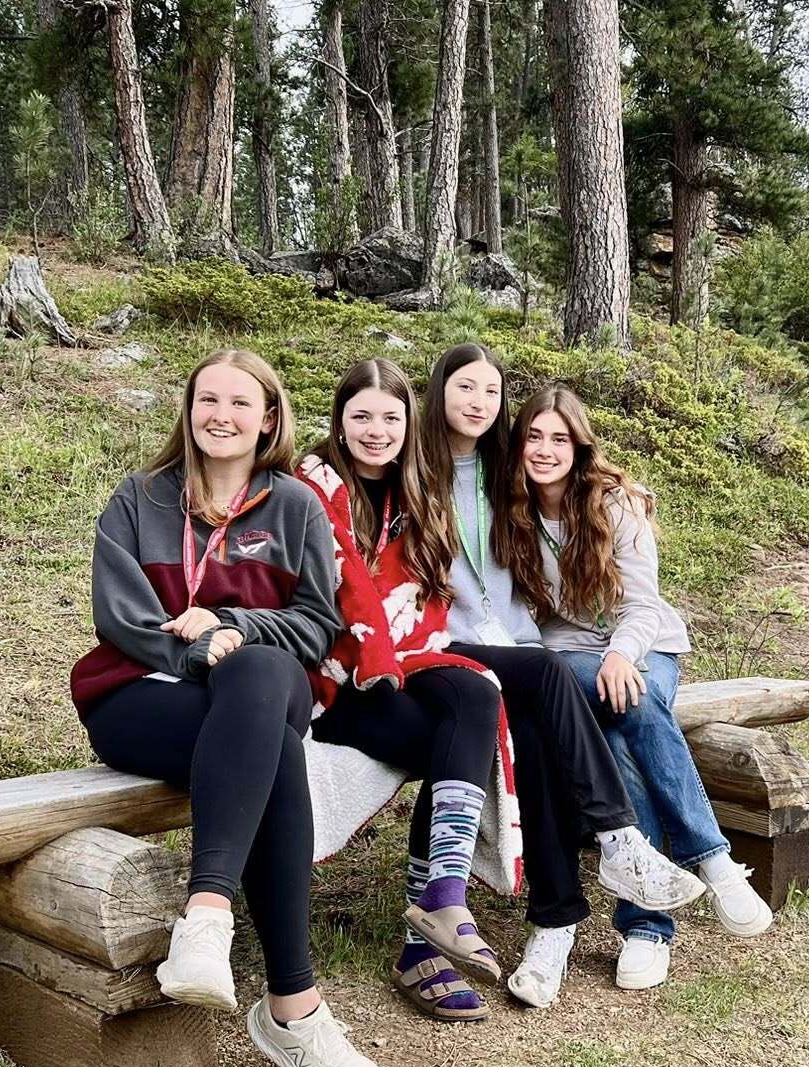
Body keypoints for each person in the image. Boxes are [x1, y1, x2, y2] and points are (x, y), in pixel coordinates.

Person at [69, 349, 385, 1067]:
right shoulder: (139, 498)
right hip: (141, 700)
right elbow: (119, 615)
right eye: (207, 398)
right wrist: (196, 652)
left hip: (249, 695)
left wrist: (233, 626)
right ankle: (293, 1013)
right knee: (270, 743)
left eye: (241, 403)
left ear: (268, 418)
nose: (222, 415)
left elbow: (316, 622)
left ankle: (206, 920)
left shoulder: (294, 507)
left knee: (261, 670)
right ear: (189, 409)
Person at [420, 342, 705, 1009]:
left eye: (491, 393)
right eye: (464, 388)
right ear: (438, 395)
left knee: (567, 729)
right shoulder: (414, 469)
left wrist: (616, 492)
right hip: (455, 647)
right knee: (557, 688)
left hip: (526, 647)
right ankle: (620, 849)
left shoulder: (504, 471)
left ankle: (566, 919)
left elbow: (581, 521)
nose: (477, 403)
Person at [504, 384, 774, 991]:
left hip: (646, 644)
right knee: (623, 715)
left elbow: (644, 607)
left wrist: (623, 654)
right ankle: (705, 870)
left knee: (632, 709)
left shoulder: (614, 505)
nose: (545, 450)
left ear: (580, 446)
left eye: (559, 438)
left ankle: (656, 918)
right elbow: (523, 618)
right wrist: (591, 660)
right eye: (534, 437)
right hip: (562, 659)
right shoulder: (508, 512)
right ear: (517, 443)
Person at [295, 359, 516, 1023]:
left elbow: (428, 605)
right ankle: (423, 944)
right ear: (339, 420)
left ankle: (442, 901)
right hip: (330, 680)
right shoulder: (314, 483)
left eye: (391, 418)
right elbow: (348, 586)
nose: (376, 430)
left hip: (395, 664)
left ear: (407, 424)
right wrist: (379, 658)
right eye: (361, 415)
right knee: (460, 741)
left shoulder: (411, 494)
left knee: (476, 700)